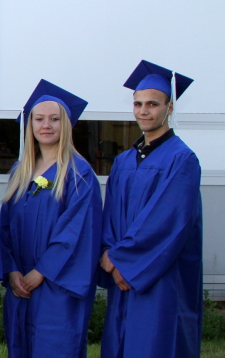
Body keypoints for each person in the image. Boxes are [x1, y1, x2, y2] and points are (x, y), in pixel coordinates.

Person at [99, 60, 202, 358]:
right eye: (138, 104)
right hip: (123, 270)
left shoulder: (181, 159)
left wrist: (121, 262)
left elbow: (170, 221)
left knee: (156, 341)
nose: (144, 111)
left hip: (161, 274)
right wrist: (108, 253)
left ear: (169, 108)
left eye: (153, 104)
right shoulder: (124, 161)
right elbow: (112, 217)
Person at [0, 79, 101, 357]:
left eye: (54, 119)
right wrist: (12, 270)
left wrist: (41, 271)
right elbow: (4, 227)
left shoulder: (79, 174)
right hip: (21, 284)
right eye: (39, 119)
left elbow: (76, 233)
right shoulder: (21, 170)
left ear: (65, 124)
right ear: (29, 124)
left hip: (58, 285)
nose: (47, 125)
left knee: (55, 346)